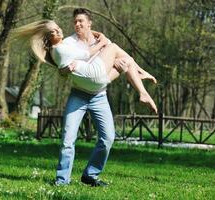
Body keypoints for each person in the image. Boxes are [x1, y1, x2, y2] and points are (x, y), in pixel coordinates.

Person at [13, 9, 157, 187]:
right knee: (68, 139)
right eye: (75, 22)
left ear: (90, 23)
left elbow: (115, 55)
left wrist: (105, 45)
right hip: (79, 95)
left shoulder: (100, 41)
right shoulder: (69, 42)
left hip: (99, 94)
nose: (77, 24)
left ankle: (91, 175)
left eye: (81, 21)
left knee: (108, 138)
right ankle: (61, 181)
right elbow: (65, 64)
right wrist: (63, 71)